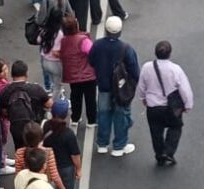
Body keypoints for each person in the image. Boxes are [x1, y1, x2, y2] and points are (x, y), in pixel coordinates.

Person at [88, 16, 139, 157]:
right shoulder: (126, 48)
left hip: (103, 87)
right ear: (120, 32)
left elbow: (91, 61)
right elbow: (135, 71)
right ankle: (119, 146)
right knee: (120, 116)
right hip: (120, 89)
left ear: (106, 30)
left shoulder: (97, 45)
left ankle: (102, 144)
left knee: (103, 114)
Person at [138, 40, 194, 165]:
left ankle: (159, 153)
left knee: (156, 132)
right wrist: (188, 104)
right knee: (175, 127)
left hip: (153, 107)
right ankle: (168, 152)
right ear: (170, 53)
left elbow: (142, 86)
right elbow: (185, 89)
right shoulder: (175, 69)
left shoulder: (147, 67)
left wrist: (143, 98)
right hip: (171, 107)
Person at [0, 61, 52, 151]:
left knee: (20, 151)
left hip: (16, 128)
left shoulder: (5, 91)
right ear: (26, 74)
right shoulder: (36, 89)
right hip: (34, 128)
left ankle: (21, 163)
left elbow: (3, 112)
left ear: (12, 75)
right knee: (36, 151)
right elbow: (49, 104)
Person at [43, 99, 82, 189]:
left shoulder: (46, 126)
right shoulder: (68, 134)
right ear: (66, 115)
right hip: (65, 168)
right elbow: (75, 155)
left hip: (49, 166)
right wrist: (79, 169)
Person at [60, 17, 97, 127]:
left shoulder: (63, 41)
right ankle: (91, 120)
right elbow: (93, 53)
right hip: (88, 76)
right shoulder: (83, 40)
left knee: (75, 97)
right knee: (90, 98)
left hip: (73, 76)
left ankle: (75, 118)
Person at [39, 7, 64, 98]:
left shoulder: (44, 30)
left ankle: (57, 96)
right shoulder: (60, 34)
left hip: (45, 60)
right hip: (55, 62)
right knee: (58, 86)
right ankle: (54, 105)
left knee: (53, 82)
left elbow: (38, 40)